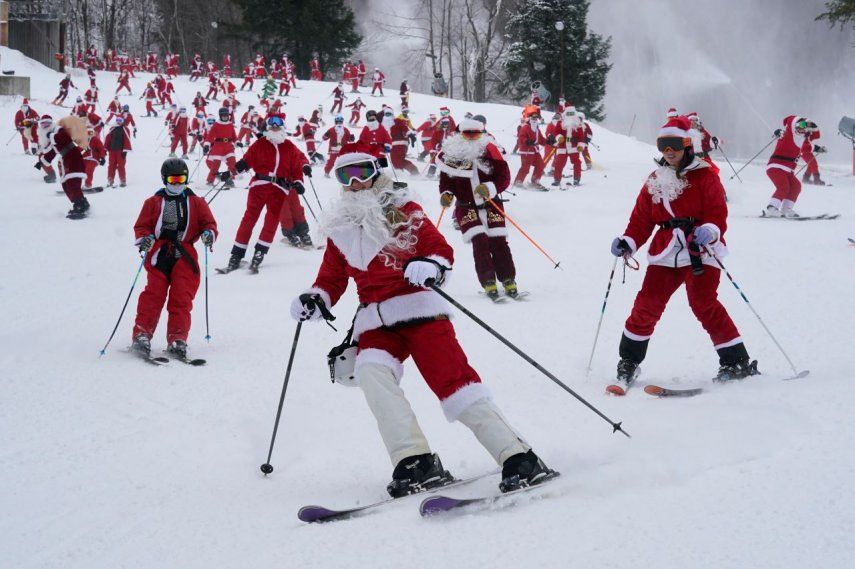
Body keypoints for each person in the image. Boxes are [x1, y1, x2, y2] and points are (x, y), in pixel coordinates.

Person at [289, 142, 554, 495]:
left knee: (454, 383)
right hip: (376, 321)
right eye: (345, 175)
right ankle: (415, 460)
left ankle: (517, 455)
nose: (355, 183)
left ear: (377, 172)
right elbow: (331, 278)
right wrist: (316, 297)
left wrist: (428, 264)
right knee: (370, 372)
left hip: (419, 309)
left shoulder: (400, 208)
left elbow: (438, 248)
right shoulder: (341, 228)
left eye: (362, 173)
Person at [608, 117, 758, 394]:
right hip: (665, 252)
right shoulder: (656, 179)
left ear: (687, 145)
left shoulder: (705, 176)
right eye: (663, 145)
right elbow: (641, 220)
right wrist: (628, 241)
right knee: (646, 304)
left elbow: (717, 213)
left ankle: (736, 362)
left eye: (674, 145)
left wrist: (710, 230)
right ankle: (628, 361)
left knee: (703, 302)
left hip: (699, 250)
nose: (668, 151)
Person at [131, 158, 218, 360]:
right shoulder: (153, 202)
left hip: (185, 255)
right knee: (153, 295)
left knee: (182, 297)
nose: (177, 184)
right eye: (173, 179)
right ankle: (142, 334)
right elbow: (142, 226)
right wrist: (145, 239)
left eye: (181, 179)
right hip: (160, 253)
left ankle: (178, 338)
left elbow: (209, 223)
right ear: (165, 179)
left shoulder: (197, 202)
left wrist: (209, 234)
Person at [437, 118, 519, 299]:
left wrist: (490, 188)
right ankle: (488, 281)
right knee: (480, 241)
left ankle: (508, 279)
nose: (473, 138)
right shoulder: (451, 155)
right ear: (459, 135)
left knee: (499, 242)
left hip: (492, 204)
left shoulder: (491, 150)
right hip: (466, 207)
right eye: (468, 134)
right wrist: (446, 194)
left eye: (476, 134)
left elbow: (504, 177)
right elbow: (446, 182)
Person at [219, 114, 308, 272]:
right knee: (249, 219)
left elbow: (296, 168)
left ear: (282, 127)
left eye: (278, 124)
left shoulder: (289, 146)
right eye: (272, 124)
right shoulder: (260, 143)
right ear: (267, 127)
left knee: (271, 222)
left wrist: (299, 183)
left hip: (279, 189)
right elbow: (246, 161)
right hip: (259, 186)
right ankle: (236, 255)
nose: (275, 126)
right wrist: (231, 172)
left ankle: (260, 252)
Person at [36, 115, 90, 218]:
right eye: (42, 124)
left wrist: (51, 136)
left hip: (74, 158)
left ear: (51, 123)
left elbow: (65, 138)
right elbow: (52, 152)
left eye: (47, 123)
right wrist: (41, 162)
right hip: (67, 159)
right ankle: (81, 203)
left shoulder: (58, 131)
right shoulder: (52, 135)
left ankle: (80, 207)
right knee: (66, 185)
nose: (45, 126)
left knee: (72, 183)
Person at [765, 116, 811, 218]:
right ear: (793, 126)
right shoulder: (787, 134)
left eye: (804, 128)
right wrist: (779, 132)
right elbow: (781, 134)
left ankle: (786, 209)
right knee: (783, 187)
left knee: (796, 186)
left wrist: (819, 148)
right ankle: (772, 208)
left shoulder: (802, 139)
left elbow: (808, 147)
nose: (801, 130)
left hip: (788, 170)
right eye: (799, 126)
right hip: (776, 167)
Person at [203, 107, 238, 187]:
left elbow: (234, 136)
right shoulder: (216, 125)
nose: (225, 117)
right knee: (216, 164)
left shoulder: (230, 124)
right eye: (223, 116)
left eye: (226, 116)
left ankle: (229, 179)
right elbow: (210, 136)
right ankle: (210, 181)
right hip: (219, 146)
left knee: (232, 163)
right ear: (220, 116)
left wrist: (237, 142)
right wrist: (207, 145)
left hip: (228, 146)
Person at [513, 108, 547, 189]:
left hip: (535, 151)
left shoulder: (537, 129)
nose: (534, 119)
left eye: (536, 118)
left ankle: (535, 180)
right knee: (525, 167)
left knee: (540, 165)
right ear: (529, 118)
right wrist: (526, 141)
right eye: (533, 118)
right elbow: (521, 137)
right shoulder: (525, 127)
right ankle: (518, 181)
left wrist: (548, 142)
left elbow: (541, 139)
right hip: (526, 151)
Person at [104, 116, 132, 187]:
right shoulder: (112, 128)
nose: (118, 121)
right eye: (117, 120)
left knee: (121, 166)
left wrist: (125, 151)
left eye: (120, 120)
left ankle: (123, 180)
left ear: (122, 121)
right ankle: (110, 180)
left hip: (120, 151)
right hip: (112, 150)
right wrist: (105, 149)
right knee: (111, 166)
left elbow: (127, 140)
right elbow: (108, 139)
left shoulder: (125, 129)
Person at [800, 121, 826, 186]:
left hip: (808, 151)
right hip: (804, 152)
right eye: (808, 126)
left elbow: (817, 136)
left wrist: (815, 127)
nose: (809, 128)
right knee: (813, 164)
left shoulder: (808, 135)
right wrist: (817, 148)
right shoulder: (801, 135)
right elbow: (804, 146)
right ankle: (817, 180)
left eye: (810, 126)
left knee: (811, 164)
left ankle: (806, 179)